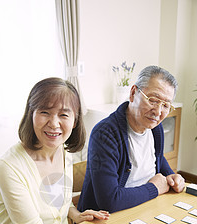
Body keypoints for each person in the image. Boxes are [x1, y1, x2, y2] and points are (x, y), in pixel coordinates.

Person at [0, 77, 149, 224]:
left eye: (63, 115)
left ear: (75, 120)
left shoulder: (63, 151)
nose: (54, 123)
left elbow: (56, 198)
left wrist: (76, 215)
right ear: (31, 114)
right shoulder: (9, 166)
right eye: (44, 112)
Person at [78, 66, 185, 214]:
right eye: (153, 100)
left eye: (166, 105)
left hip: (145, 208)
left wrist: (172, 176)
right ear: (133, 93)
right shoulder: (105, 133)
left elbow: (158, 159)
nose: (158, 112)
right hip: (107, 219)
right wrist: (154, 188)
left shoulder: (155, 129)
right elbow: (109, 201)